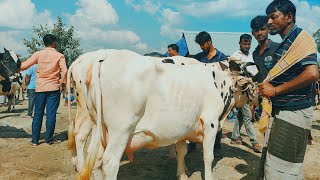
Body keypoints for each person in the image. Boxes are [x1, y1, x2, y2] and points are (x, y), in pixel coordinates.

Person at [258, 0, 319, 179]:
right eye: (268, 18)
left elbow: (312, 73)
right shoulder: (287, 42)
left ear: (289, 17)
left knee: (283, 170)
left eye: (273, 17)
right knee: (278, 164)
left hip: (294, 111)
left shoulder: (301, 39)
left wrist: (275, 91)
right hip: (283, 110)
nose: (269, 22)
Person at [20, 34, 68, 147]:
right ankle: (49, 139)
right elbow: (65, 71)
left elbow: (24, 66)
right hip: (53, 88)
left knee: (38, 114)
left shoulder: (38, 54)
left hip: (40, 88)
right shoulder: (59, 56)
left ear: (44, 43)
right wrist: (62, 82)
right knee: (51, 114)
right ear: (54, 43)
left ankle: (35, 141)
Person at [189, 31, 227, 157]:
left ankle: (216, 145)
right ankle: (192, 144)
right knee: (196, 117)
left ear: (209, 42)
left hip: (217, 94)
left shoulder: (222, 57)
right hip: (201, 94)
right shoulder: (198, 58)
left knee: (216, 118)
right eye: (200, 44)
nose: (201, 47)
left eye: (202, 44)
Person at [230, 34, 262, 153]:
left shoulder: (250, 55)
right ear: (239, 43)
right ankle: (254, 142)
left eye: (248, 44)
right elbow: (233, 74)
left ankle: (235, 136)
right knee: (248, 115)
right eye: (244, 43)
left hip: (250, 88)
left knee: (241, 116)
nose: (247, 46)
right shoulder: (235, 56)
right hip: (240, 90)